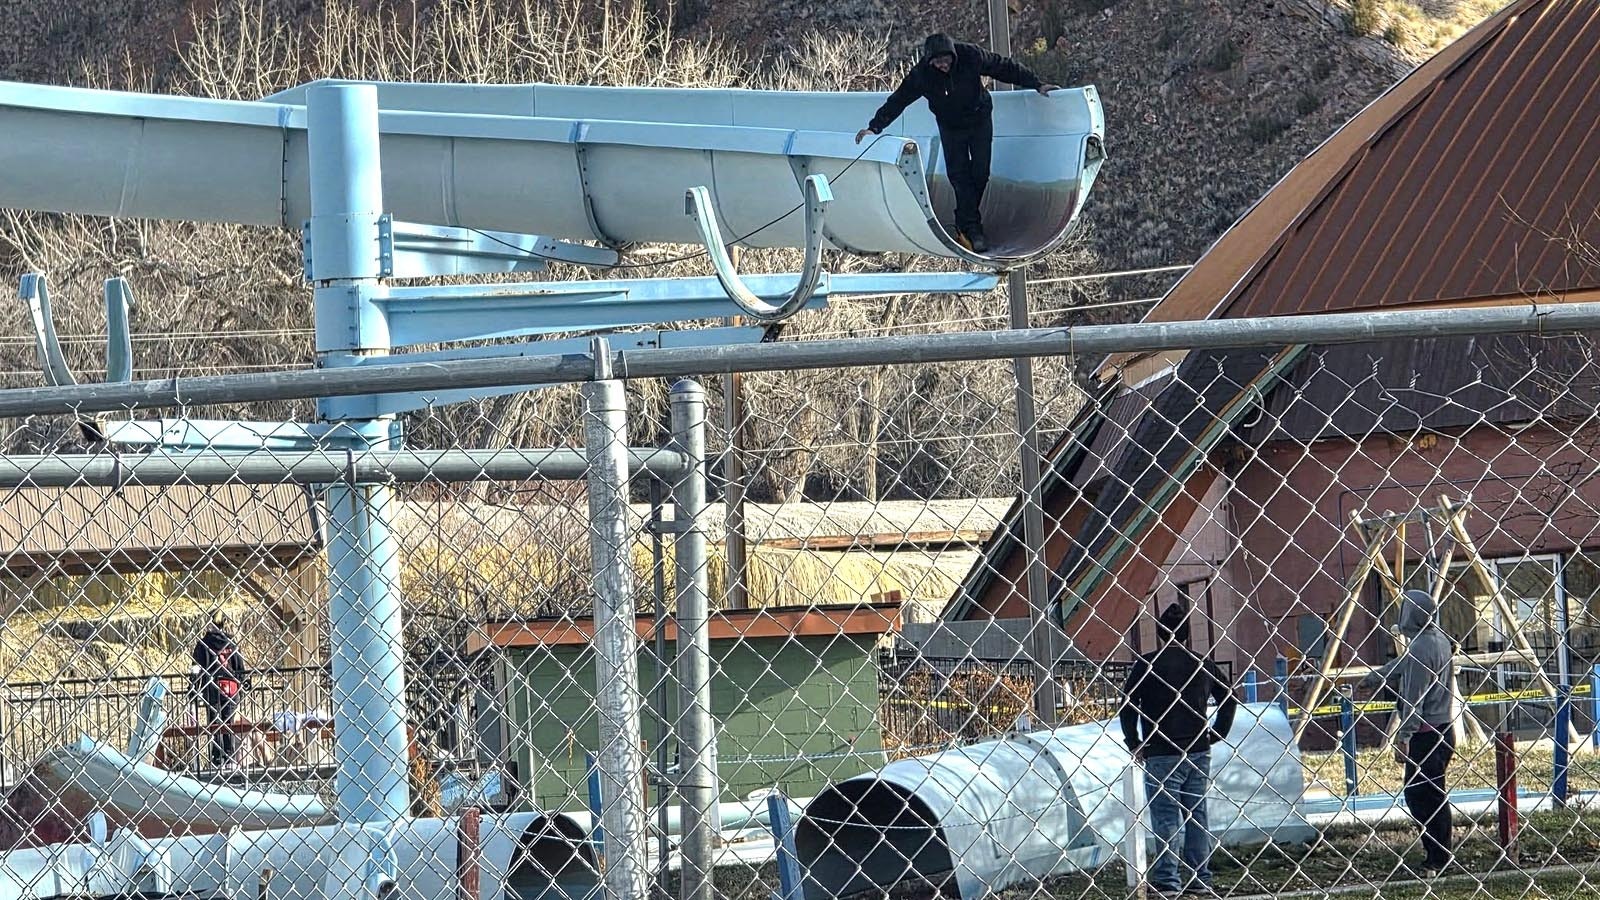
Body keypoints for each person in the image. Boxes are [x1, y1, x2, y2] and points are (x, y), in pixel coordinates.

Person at [855, 33, 1059, 254]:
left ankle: (964, 220)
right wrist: (874, 127)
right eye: (937, 62)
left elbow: (1004, 67)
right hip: (951, 127)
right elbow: (899, 100)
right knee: (959, 177)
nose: (943, 65)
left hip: (979, 118)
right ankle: (972, 229)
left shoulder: (971, 55)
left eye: (946, 60)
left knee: (981, 172)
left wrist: (1036, 84)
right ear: (929, 61)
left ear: (953, 55)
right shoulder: (921, 75)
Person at [1120, 602, 1238, 897]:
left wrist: (1134, 742)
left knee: (1165, 817)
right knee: (1197, 814)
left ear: (1159, 632)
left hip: (1160, 751)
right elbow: (1229, 698)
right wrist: (1217, 733)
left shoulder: (1147, 665)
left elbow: (1127, 706)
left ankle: (1168, 882)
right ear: (1188, 633)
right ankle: (1201, 879)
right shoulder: (1202, 663)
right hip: (1198, 750)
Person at [1362, 589, 1457, 875]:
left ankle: (1437, 858)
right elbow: (1403, 664)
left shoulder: (1419, 650)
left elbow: (1414, 698)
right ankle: (1439, 854)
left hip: (1425, 735)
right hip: (1443, 730)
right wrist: (1377, 676)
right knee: (1432, 794)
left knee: (1422, 797)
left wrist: (1403, 738)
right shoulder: (1437, 638)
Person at [192, 613, 248, 768]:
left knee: (215, 723)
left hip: (212, 689)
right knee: (228, 722)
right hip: (231, 688)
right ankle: (230, 757)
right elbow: (240, 668)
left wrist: (193, 686)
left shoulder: (203, 645)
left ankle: (217, 758)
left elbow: (196, 668)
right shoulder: (231, 643)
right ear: (225, 623)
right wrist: (242, 684)